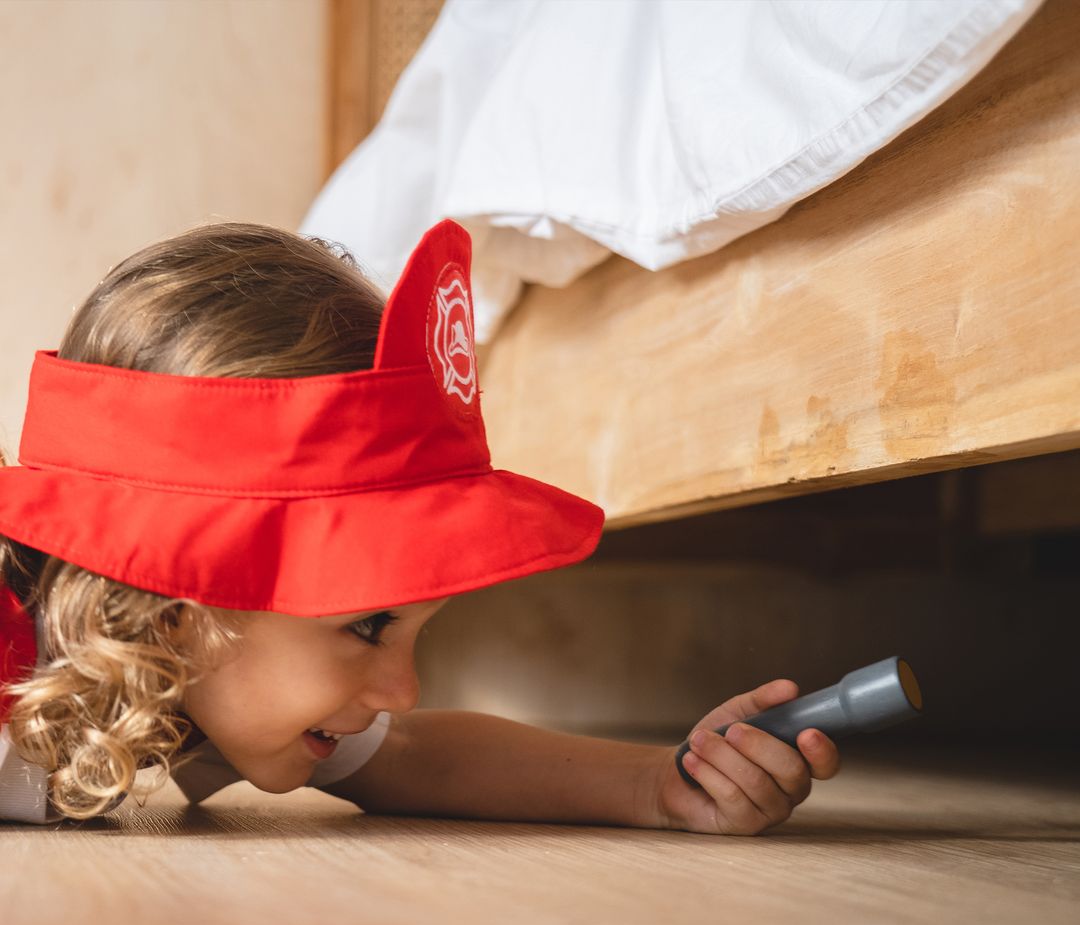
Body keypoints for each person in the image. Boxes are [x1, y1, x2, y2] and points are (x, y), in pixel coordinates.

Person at [0, 218, 839, 833]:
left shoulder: (199, 672)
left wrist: (662, 783)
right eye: (368, 627)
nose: (405, 690)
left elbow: (413, 757)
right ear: (176, 600)